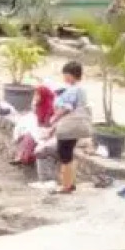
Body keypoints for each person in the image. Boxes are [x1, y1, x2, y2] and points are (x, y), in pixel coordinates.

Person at [51, 61, 92, 195]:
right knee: (69, 154)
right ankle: (70, 183)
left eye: (65, 74)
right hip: (77, 127)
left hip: (69, 127)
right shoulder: (82, 90)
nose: (64, 77)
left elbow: (66, 107)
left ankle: (66, 185)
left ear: (71, 75)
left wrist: (54, 119)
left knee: (64, 154)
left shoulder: (73, 89)